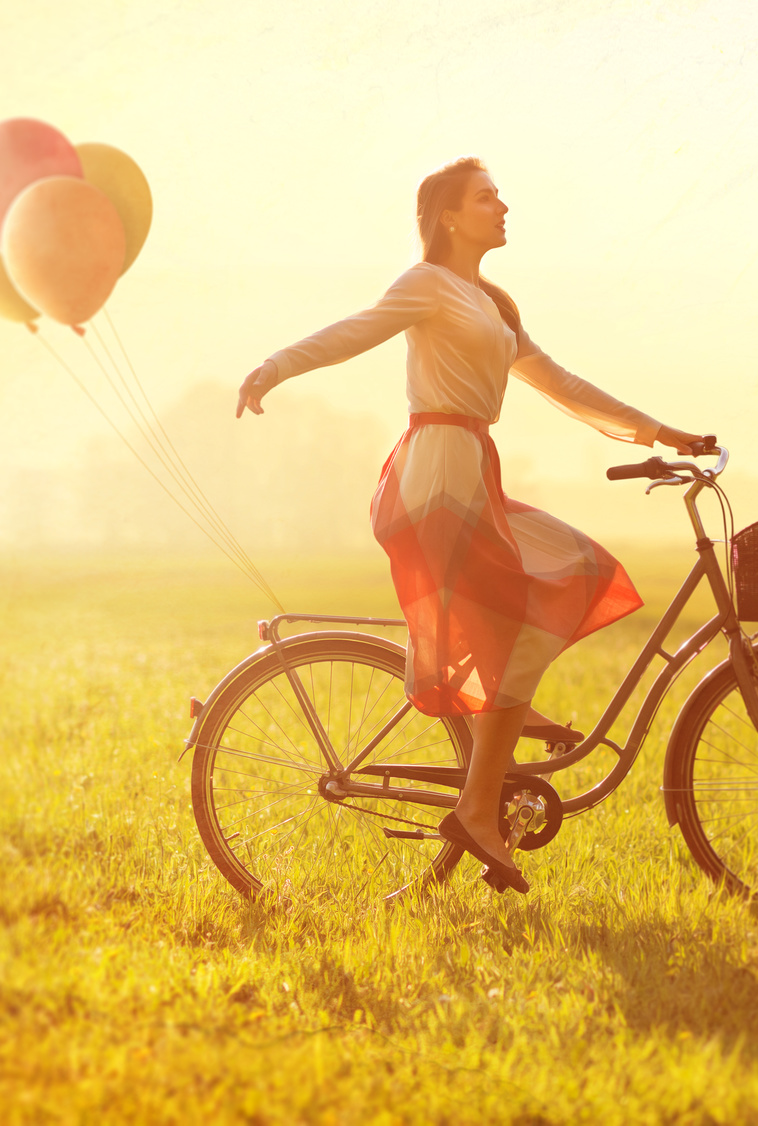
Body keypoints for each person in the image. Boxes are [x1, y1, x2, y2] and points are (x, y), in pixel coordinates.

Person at [237, 156, 703, 893]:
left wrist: (658, 431)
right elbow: (353, 332)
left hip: (470, 469)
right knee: (519, 621)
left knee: (580, 566)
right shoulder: (426, 286)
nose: (504, 206)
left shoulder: (492, 303)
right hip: (438, 472)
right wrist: (273, 366)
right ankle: (480, 805)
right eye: (488, 197)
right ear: (448, 216)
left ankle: (502, 722)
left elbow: (560, 383)